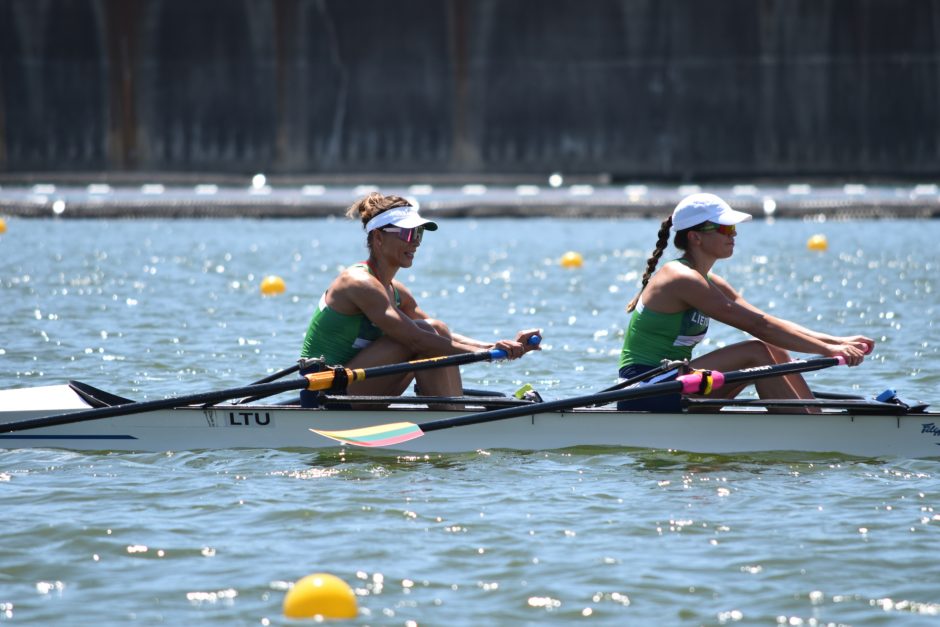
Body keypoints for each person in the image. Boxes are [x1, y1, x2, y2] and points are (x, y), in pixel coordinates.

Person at [617, 193, 873, 412]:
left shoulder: (708, 279)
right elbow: (758, 326)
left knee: (773, 348)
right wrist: (826, 351)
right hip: (642, 388)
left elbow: (767, 321)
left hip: (676, 382)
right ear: (696, 237)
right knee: (756, 351)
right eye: (725, 228)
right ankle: (807, 429)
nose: (734, 234)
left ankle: (812, 418)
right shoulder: (681, 277)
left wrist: (837, 342)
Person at [300, 192, 541, 404]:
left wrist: (499, 347)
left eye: (418, 233)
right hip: (327, 393)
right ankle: (454, 419)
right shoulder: (358, 282)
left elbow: (438, 334)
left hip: (358, 387)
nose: (415, 242)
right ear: (378, 237)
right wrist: (486, 357)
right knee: (420, 338)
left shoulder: (397, 291)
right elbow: (416, 340)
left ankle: (453, 412)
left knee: (436, 327)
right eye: (406, 234)